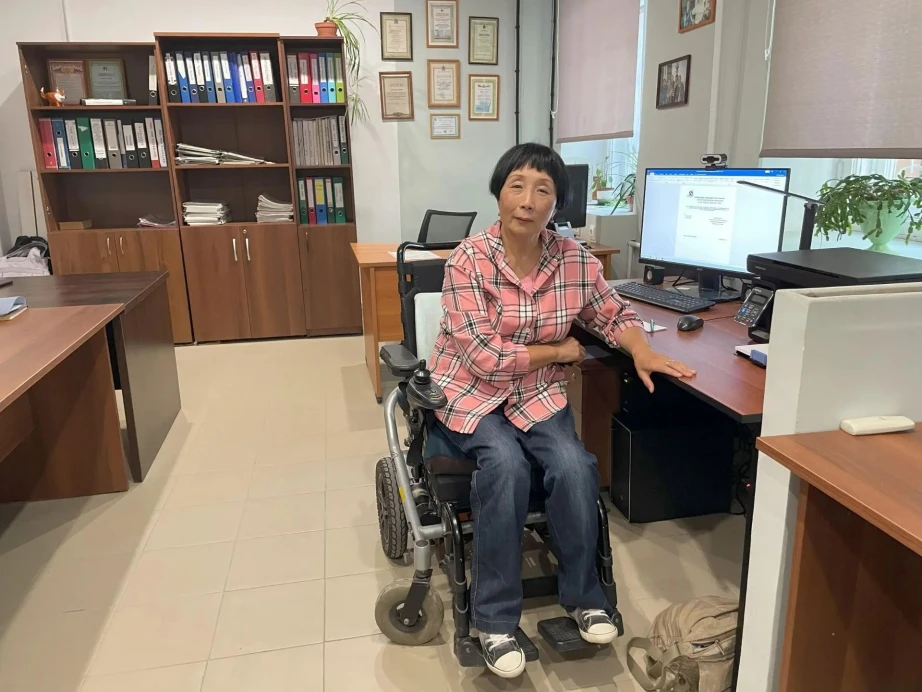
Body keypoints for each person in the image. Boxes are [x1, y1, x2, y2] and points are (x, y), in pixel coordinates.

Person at [429, 143, 696, 679]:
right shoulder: (468, 260)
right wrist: (558, 351)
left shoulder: (573, 259)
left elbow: (611, 312)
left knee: (575, 466)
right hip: (472, 391)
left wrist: (641, 350)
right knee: (505, 465)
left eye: (543, 190)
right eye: (517, 186)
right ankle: (495, 620)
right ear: (499, 193)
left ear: (556, 204)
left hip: (536, 395)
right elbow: (484, 358)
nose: (527, 201)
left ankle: (585, 597)